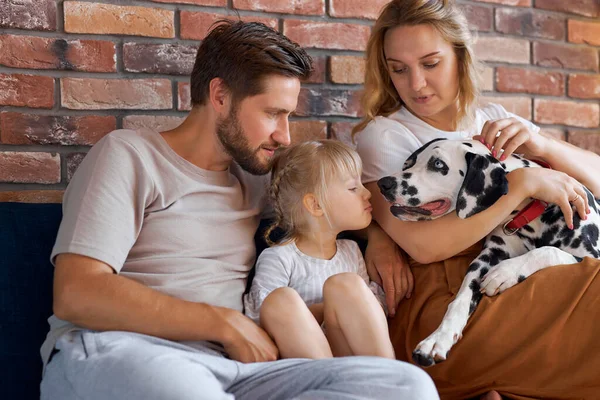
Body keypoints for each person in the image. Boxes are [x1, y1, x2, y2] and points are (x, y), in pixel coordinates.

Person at [39, 19, 439, 400]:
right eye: (272, 113)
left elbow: (327, 200)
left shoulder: (255, 178)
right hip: (124, 351)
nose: (284, 135)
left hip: (236, 371)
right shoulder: (129, 156)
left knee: (406, 386)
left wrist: (378, 238)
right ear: (219, 96)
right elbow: (77, 292)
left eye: (289, 116)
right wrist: (221, 322)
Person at [352, 0, 600, 399]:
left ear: (460, 57)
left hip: (519, 271)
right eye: (399, 69)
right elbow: (425, 246)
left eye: (430, 63)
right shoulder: (386, 135)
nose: (415, 84)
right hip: (449, 297)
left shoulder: (492, 117)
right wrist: (521, 184)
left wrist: (542, 143)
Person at [244, 140, 395, 360]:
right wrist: (329, 308)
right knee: (279, 300)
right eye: (353, 188)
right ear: (315, 205)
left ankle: (390, 377)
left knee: (346, 285)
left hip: (350, 357)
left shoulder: (351, 252)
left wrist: (342, 303)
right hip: (308, 362)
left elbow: (369, 313)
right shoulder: (280, 258)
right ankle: (324, 384)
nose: (367, 193)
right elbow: (258, 324)